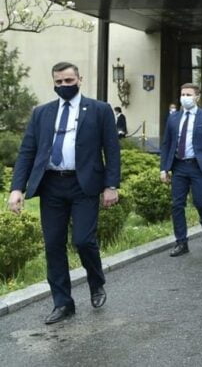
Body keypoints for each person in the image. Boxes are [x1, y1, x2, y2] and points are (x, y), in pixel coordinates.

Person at [7, 61, 120, 325]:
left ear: (79, 80)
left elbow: (112, 150)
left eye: (68, 81)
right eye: (59, 82)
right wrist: (16, 188)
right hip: (51, 186)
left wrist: (111, 185)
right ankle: (63, 303)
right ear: (53, 83)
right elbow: (27, 151)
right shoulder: (41, 113)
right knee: (54, 244)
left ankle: (96, 282)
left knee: (83, 240)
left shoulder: (99, 110)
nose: (64, 85)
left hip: (84, 184)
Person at [160, 83, 202, 257]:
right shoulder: (173, 118)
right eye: (183, 94)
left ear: (197, 97)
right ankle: (181, 242)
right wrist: (164, 168)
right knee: (177, 204)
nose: (185, 98)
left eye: (188, 94)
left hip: (198, 166)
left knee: (201, 202)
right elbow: (166, 144)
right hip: (178, 166)